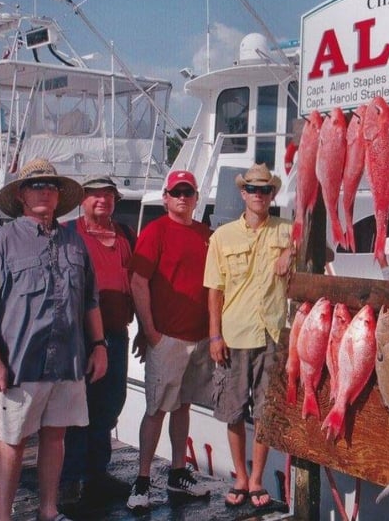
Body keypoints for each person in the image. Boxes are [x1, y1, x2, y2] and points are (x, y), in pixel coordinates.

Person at [0, 159, 108, 521]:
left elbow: (90, 301)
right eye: (36, 185)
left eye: (50, 186)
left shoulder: (75, 242)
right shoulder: (0, 242)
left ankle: (48, 509)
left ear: (59, 195)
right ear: (22, 195)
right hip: (21, 363)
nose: (44, 191)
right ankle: (3, 516)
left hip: (69, 361)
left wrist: (99, 346)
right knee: (12, 441)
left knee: (56, 437)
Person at [203, 163, 294, 509]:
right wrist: (214, 336)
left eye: (265, 189)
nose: (259, 195)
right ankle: (240, 477)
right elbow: (214, 290)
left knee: (266, 413)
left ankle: (257, 480)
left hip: (272, 335)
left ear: (272, 194)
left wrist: (292, 251)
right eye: (253, 189)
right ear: (243, 193)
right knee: (234, 412)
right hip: (235, 335)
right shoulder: (221, 237)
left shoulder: (288, 230)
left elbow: (325, 250)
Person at [126, 169, 213, 512]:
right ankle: (142, 479)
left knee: (183, 405)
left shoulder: (205, 234)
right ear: (165, 198)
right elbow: (138, 282)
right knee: (156, 410)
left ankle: (178, 473)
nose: (182, 197)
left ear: (196, 198)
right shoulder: (155, 231)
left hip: (200, 339)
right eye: (176, 192)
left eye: (187, 192)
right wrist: (150, 332)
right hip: (167, 339)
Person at [61, 175, 136, 506]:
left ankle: (97, 474)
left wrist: (144, 328)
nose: (102, 200)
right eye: (94, 194)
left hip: (117, 334)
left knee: (109, 405)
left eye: (108, 194)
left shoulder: (126, 235)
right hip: (78, 337)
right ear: (82, 200)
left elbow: (137, 283)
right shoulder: (67, 233)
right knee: (77, 407)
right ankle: (71, 478)